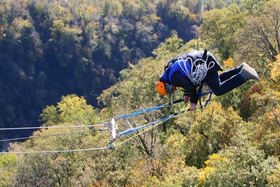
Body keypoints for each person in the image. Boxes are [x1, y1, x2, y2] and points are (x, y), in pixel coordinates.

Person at [156, 49, 260, 110]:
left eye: (170, 89)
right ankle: (240, 69)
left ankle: (244, 75)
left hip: (204, 65)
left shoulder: (173, 78)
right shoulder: (169, 70)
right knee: (216, 81)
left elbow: (192, 87)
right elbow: (187, 80)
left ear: (166, 85)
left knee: (218, 90)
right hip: (204, 59)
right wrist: (187, 94)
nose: (173, 89)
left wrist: (193, 103)